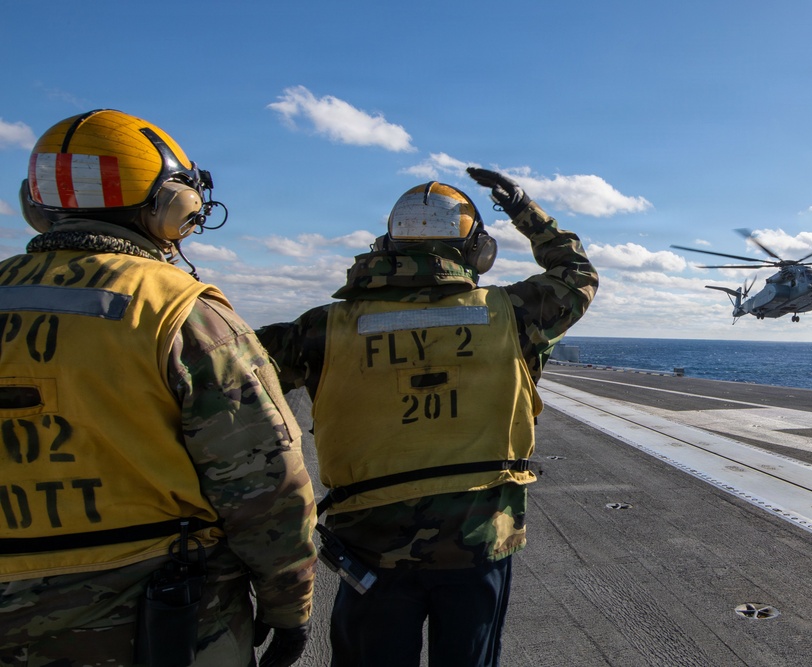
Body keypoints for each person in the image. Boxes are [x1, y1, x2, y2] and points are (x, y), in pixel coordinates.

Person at [0, 109, 316, 667]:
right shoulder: (181, 312)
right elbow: (267, 488)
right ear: (174, 205)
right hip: (155, 618)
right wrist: (288, 608)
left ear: (35, 204)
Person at [256, 167, 598, 666]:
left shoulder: (321, 328)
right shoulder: (513, 314)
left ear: (387, 245)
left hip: (368, 552)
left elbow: (228, 379)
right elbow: (578, 273)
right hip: (477, 545)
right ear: (479, 252)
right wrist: (524, 207)